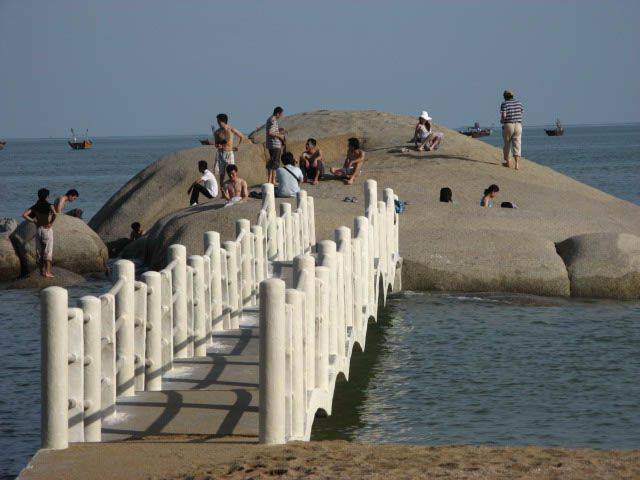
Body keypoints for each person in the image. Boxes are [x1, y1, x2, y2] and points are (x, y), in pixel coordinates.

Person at [21, 188, 57, 277]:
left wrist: (33, 221)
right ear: (47, 196)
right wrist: (51, 223)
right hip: (47, 230)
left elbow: (24, 215)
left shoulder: (35, 206)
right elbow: (55, 214)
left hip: (38, 230)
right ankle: (47, 272)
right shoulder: (50, 205)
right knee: (48, 251)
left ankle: (41, 272)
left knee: (39, 252)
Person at [213, 113, 245, 185]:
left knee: (232, 171)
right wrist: (218, 146)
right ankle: (222, 190)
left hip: (229, 153)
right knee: (222, 174)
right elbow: (216, 144)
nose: (217, 123)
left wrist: (237, 146)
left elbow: (241, 136)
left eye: (218, 121)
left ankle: (235, 187)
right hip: (220, 154)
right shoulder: (217, 132)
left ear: (223, 121)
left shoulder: (231, 129)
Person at [500, 90, 524, 170]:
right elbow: (521, 113)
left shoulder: (504, 103)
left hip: (508, 124)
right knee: (517, 144)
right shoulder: (519, 103)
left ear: (505, 96)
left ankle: (508, 162)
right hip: (518, 125)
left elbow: (504, 115)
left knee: (507, 144)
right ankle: (517, 164)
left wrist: (502, 121)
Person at [265, 106, 285, 185]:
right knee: (275, 163)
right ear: (277, 113)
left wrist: (278, 130)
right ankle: (271, 180)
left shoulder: (270, 119)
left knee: (273, 162)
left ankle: (271, 180)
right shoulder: (273, 120)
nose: (281, 116)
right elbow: (270, 132)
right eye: (281, 114)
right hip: (275, 144)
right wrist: (280, 136)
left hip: (271, 144)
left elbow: (271, 131)